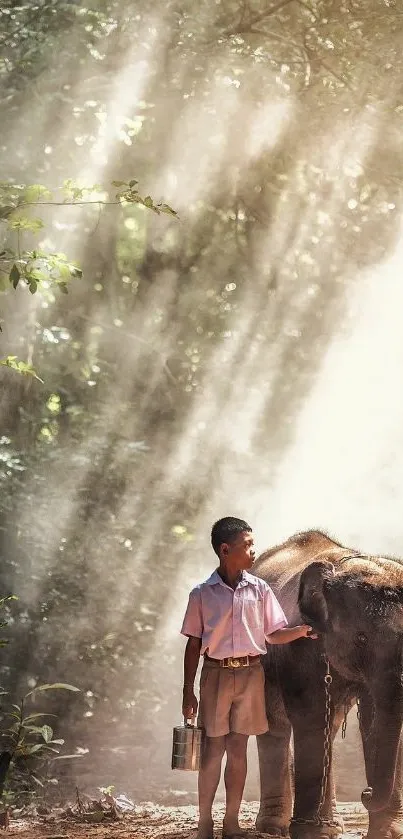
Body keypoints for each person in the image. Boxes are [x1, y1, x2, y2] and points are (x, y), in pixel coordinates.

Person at [180, 516, 317, 839]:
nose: (253, 552)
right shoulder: (202, 594)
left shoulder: (259, 589)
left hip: (252, 674)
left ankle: (231, 822)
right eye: (248, 546)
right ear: (225, 550)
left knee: (239, 750)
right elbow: (193, 644)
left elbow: (273, 634)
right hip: (214, 674)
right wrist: (188, 690)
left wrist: (301, 631)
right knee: (213, 751)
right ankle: (205, 822)